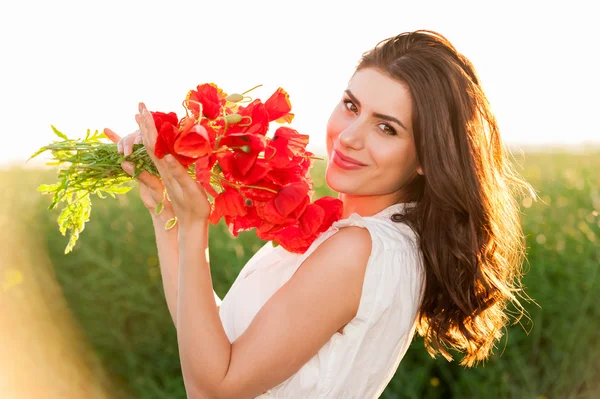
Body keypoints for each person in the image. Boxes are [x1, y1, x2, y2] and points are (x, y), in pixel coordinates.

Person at [104, 29, 533, 398]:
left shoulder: (359, 249)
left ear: (426, 156)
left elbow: (214, 388)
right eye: (351, 105)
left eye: (387, 128)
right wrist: (169, 212)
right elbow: (215, 343)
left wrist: (195, 224)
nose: (348, 137)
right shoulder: (377, 240)